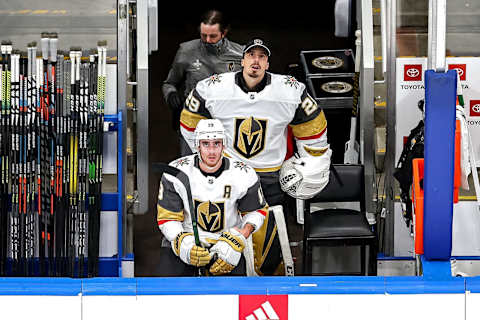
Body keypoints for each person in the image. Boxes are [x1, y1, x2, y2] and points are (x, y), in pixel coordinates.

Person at [179, 38, 332, 275]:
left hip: (268, 177)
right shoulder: (213, 88)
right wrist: (210, 159)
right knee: (221, 237)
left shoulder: (290, 90)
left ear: (268, 63)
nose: (256, 61)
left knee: (268, 245)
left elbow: (314, 128)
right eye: (251, 55)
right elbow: (190, 123)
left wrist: (312, 162)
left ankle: (268, 290)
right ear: (242, 60)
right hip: (228, 175)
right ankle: (222, 289)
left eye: (261, 57)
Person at [157, 119, 268, 276]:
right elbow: (167, 218)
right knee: (165, 291)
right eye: (206, 144)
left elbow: (256, 211)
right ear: (197, 145)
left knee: (234, 295)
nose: (211, 151)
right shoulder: (176, 172)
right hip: (186, 240)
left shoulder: (244, 174)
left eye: (216, 143)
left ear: (224, 145)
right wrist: (181, 241)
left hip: (226, 245)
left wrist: (240, 237)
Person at [162, 9, 243, 154]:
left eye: (213, 36)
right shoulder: (186, 51)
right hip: (194, 119)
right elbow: (169, 83)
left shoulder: (240, 54)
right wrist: (171, 95)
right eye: (203, 35)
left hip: (227, 121)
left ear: (224, 33)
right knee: (191, 167)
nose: (207, 40)